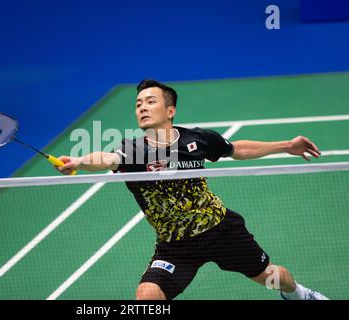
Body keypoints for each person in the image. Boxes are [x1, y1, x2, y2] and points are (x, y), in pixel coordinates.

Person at [55, 79, 329, 300]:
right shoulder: (132, 150)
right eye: (138, 104)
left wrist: (285, 146)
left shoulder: (197, 139)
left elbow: (237, 150)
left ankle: (300, 295)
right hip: (175, 247)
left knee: (273, 277)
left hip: (222, 231)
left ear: (170, 111)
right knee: (147, 296)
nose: (142, 108)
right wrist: (79, 160)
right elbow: (106, 159)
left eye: (151, 102)